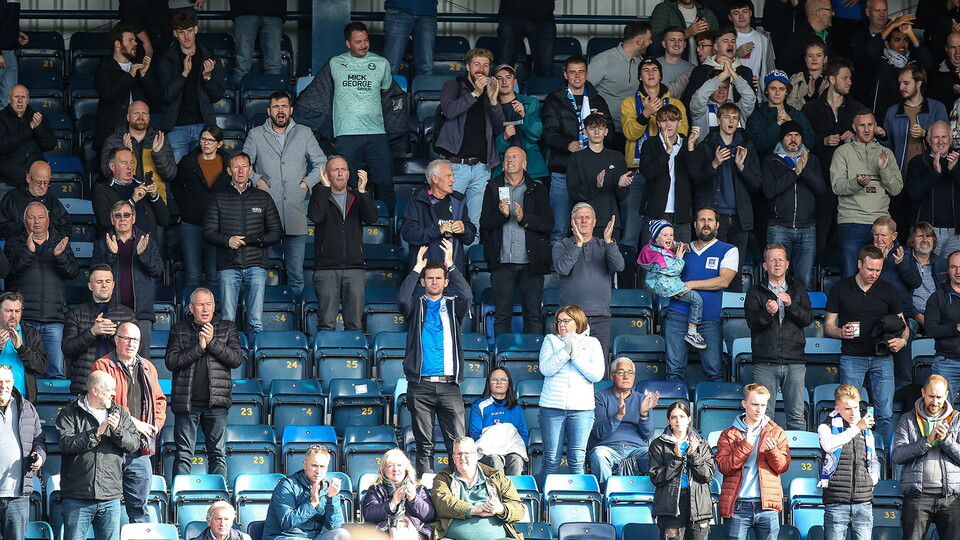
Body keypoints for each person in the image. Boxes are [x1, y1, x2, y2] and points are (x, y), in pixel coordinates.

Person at [397, 241, 472, 475]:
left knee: (457, 446)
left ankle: (456, 489)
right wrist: (417, 268)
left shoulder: (453, 306)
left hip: (450, 385)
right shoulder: (415, 305)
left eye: (439, 278)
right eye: (429, 278)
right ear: (423, 282)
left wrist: (451, 265)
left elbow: (467, 295)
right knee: (424, 446)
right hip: (420, 385)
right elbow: (402, 299)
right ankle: (426, 491)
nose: (434, 282)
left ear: (446, 282)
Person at [243, 90, 326, 300]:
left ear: (291, 110)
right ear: (269, 111)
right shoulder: (255, 134)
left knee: (296, 274)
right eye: (276, 107)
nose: (280, 110)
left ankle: (294, 314)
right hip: (264, 214)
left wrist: (305, 184)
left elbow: (322, 163)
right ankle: (263, 310)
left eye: (284, 106)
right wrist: (257, 180)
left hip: (295, 210)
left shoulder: (304, 132)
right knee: (260, 272)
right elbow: (243, 164)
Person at [825, 245, 908, 445]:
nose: (874, 274)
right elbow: (827, 326)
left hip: (883, 358)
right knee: (849, 411)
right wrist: (841, 332)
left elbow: (903, 326)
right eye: (870, 269)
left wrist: (903, 341)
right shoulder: (841, 288)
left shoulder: (888, 289)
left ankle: (884, 457)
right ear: (859, 264)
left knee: (885, 413)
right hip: (852, 357)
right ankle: (853, 452)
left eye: (878, 270)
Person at [90, 322, 166, 524]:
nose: (131, 344)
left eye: (136, 340)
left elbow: (159, 400)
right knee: (107, 508)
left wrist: (155, 425)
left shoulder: (148, 367)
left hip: (139, 446)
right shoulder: (102, 366)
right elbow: (103, 402)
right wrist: (134, 423)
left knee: (140, 510)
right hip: (110, 446)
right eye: (127, 339)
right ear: (116, 340)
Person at [203, 151, 282, 343]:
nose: (240, 171)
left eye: (244, 167)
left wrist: (255, 239)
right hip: (228, 266)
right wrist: (227, 240)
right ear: (229, 171)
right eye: (236, 167)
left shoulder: (263, 198)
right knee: (228, 320)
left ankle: (255, 360)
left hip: (257, 265)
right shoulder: (218, 198)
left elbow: (276, 232)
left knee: (255, 321)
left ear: (250, 170)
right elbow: (208, 232)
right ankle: (228, 357)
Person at [166, 287, 242, 479]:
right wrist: (199, 347)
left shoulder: (227, 327)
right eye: (200, 305)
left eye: (209, 304)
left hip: (216, 403)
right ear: (191, 308)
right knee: (183, 454)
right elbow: (172, 362)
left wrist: (212, 342)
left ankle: (217, 495)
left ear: (214, 306)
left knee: (217, 453)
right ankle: (181, 493)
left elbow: (235, 359)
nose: (205, 308)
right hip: (187, 404)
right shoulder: (179, 329)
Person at [56, 371, 141, 540]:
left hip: (110, 497)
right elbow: (66, 443)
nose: (114, 393)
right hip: (77, 497)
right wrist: (96, 433)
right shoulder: (69, 412)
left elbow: (133, 444)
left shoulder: (120, 413)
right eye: (109, 390)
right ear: (95, 390)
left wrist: (117, 431)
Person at [479, 147, 553, 336]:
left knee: (533, 317)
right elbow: (484, 224)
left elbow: (548, 224)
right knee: (502, 317)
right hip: (502, 263)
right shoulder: (492, 186)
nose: (509, 160)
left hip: (531, 264)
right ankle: (502, 353)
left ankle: (531, 354)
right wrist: (502, 215)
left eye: (514, 157)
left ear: (524, 164)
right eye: (507, 157)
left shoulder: (538, 189)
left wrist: (523, 217)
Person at [541, 56, 613, 243]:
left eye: (581, 71)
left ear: (587, 74)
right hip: (563, 171)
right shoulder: (554, 100)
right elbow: (548, 134)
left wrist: (601, 124)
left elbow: (611, 134)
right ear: (565, 75)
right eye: (572, 72)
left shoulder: (598, 100)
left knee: (591, 229)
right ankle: (559, 262)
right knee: (558, 229)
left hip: (592, 173)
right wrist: (567, 144)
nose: (577, 76)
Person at [5, 202, 79, 379]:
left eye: (40, 217)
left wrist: (60, 256)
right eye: (31, 218)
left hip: (54, 320)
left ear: (48, 220)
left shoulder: (60, 241)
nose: (36, 222)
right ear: (25, 222)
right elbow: (8, 274)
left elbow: (73, 273)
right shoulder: (14, 242)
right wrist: (27, 253)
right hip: (25, 320)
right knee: (26, 374)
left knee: (55, 374)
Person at [663, 206, 738, 382]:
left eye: (710, 220)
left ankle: (713, 402)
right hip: (678, 315)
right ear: (695, 225)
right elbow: (664, 277)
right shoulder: (681, 249)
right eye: (701, 220)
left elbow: (723, 281)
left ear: (717, 224)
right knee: (674, 372)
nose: (706, 223)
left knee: (714, 372)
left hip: (708, 318)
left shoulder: (728, 249)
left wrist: (690, 285)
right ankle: (677, 401)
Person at [691, 103, 760, 291]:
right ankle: (713, 309)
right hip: (714, 218)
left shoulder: (746, 147)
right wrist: (714, 163)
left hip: (740, 218)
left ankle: (733, 310)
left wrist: (742, 167)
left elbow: (757, 184)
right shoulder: (706, 146)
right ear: (719, 120)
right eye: (727, 117)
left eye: (735, 118)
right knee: (712, 271)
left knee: (735, 273)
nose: (731, 121)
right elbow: (696, 180)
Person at [744, 245, 813, 430]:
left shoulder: (798, 289)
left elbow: (807, 319)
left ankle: (796, 450)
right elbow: (752, 323)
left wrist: (791, 305)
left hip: (795, 361)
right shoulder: (755, 291)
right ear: (765, 265)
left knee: (797, 417)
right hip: (765, 362)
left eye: (781, 259)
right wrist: (766, 313)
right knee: (763, 417)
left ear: (787, 264)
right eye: (772, 260)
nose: (777, 263)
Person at [620, 59, 688, 248]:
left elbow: (682, 134)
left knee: (662, 231)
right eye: (646, 70)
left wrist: (662, 117)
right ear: (640, 77)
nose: (651, 73)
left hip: (667, 172)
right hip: (636, 172)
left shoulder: (675, 104)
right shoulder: (628, 103)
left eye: (655, 69)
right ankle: (633, 267)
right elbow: (630, 133)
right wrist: (645, 114)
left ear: (660, 75)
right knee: (631, 231)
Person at [435, 48, 505, 231]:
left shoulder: (491, 91)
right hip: (456, 166)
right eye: (477, 64)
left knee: (474, 223)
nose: (481, 69)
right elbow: (449, 111)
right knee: (449, 217)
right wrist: (475, 93)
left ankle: (472, 251)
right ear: (467, 66)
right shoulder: (454, 85)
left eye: (485, 65)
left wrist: (494, 101)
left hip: (481, 167)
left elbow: (499, 128)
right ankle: (448, 251)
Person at [329, 22, 395, 213]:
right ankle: (348, 223)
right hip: (346, 134)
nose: (364, 45)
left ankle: (386, 222)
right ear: (348, 44)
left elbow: (386, 90)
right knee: (347, 184)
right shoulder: (335, 63)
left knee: (385, 182)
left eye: (366, 40)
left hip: (376, 133)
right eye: (358, 42)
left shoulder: (381, 63)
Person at [307, 156, 378, 332]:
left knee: (355, 325)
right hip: (326, 268)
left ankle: (352, 351)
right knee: (326, 324)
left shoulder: (357, 195)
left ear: (348, 174)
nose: (340, 173)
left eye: (343, 170)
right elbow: (316, 217)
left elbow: (371, 218)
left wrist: (363, 191)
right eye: (335, 170)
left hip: (355, 268)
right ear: (327, 175)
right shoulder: (319, 195)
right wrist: (324, 189)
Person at [830, 109, 903, 278]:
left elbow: (896, 189)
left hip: (881, 222)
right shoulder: (842, 152)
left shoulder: (886, 153)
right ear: (854, 127)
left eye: (870, 125)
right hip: (852, 221)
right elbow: (837, 186)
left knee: (889, 271)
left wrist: (884, 170)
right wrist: (856, 183)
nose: (867, 129)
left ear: (876, 126)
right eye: (862, 125)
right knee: (850, 272)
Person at [538, 304, 606, 483]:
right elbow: (546, 369)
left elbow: (597, 375)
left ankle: (578, 498)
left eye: (566, 321)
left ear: (578, 321)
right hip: (551, 407)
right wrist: (565, 350)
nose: (561, 325)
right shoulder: (550, 340)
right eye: (558, 321)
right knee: (550, 459)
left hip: (582, 410)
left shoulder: (592, 343)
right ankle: (545, 499)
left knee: (577, 460)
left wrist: (574, 355)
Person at [715, 384, 791, 540]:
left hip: (767, 506)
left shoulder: (776, 432)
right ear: (744, 404)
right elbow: (724, 467)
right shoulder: (728, 435)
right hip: (738, 505)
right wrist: (746, 445)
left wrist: (773, 452)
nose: (759, 409)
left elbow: (783, 466)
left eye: (763, 405)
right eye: (755, 404)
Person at [803, 58, 863, 251]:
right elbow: (802, 141)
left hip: (850, 181)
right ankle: (819, 268)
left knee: (847, 235)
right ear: (831, 79)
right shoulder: (811, 108)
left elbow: (870, 138)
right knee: (821, 232)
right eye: (845, 78)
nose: (850, 82)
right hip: (821, 180)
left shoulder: (857, 109)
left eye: (851, 78)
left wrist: (856, 135)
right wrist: (823, 141)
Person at [892, 374, 960, 540]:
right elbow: (897, 456)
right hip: (917, 497)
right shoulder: (908, 419)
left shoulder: (957, 419)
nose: (935, 402)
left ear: (946, 395)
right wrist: (927, 442)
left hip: (951, 497)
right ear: (923, 392)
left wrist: (946, 441)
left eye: (939, 397)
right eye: (931, 396)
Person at [760, 121, 827, 289]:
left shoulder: (812, 160)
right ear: (781, 138)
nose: (793, 139)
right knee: (775, 278)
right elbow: (769, 191)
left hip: (807, 228)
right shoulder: (771, 161)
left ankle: (802, 308)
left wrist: (804, 170)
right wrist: (795, 173)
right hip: (779, 227)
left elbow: (821, 189)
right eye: (789, 135)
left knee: (804, 279)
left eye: (797, 135)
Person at [91, 200, 163, 355]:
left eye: (126, 215)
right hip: (113, 313)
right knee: (112, 360)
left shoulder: (146, 241)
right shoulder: (102, 243)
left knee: (142, 361)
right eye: (118, 215)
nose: (122, 219)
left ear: (133, 218)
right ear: (112, 220)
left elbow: (158, 271)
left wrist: (143, 255)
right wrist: (111, 254)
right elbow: (95, 275)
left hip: (141, 314)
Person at [553, 203, 625, 358]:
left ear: (594, 222)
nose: (584, 221)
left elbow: (619, 266)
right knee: (571, 361)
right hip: (571, 317)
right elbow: (562, 269)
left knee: (599, 363)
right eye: (580, 217)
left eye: (588, 217)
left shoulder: (604, 245)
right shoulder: (562, 245)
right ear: (572, 222)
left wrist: (609, 241)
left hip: (601, 316)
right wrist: (577, 244)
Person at [156, 11, 226, 162]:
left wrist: (207, 77)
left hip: (203, 127)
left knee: (202, 172)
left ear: (196, 30)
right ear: (175, 34)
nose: (186, 36)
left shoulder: (210, 57)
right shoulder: (167, 60)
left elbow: (217, 95)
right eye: (182, 32)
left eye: (189, 31)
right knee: (176, 173)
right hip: (176, 127)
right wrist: (184, 74)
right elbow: (166, 96)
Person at [172, 124, 232, 295]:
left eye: (210, 140)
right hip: (191, 224)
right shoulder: (188, 161)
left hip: (217, 226)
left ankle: (212, 310)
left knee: (213, 274)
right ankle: (191, 309)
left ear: (219, 144)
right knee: (192, 274)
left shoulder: (228, 162)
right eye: (203, 139)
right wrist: (185, 205)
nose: (206, 143)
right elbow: (176, 185)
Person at [430, 436, 525, 540]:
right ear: (453, 458)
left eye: (467, 453)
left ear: (476, 455)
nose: (462, 458)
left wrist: (501, 508)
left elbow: (519, 509)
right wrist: (474, 510)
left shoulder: (497, 477)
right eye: (458, 454)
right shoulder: (443, 478)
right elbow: (442, 503)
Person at [817, 384, 880, 540]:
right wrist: (856, 428)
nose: (853, 413)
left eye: (856, 407)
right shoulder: (826, 426)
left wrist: (873, 479)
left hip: (863, 501)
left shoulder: (866, 430)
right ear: (837, 408)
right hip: (836, 501)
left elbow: (874, 459)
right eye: (847, 409)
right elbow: (829, 445)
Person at [62, 265, 137, 395]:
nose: (104, 285)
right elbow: (67, 349)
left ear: (113, 285)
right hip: (84, 386)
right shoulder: (75, 313)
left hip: (118, 387)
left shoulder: (128, 315)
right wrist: (92, 332)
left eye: (108, 281)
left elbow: (137, 350)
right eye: (99, 282)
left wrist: (115, 335)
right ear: (90, 286)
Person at [649, 401, 716, 540]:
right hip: (670, 505)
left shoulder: (701, 443)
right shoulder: (658, 444)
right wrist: (677, 459)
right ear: (668, 421)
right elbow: (656, 478)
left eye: (682, 416)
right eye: (674, 417)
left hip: (698, 505)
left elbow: (706, 475)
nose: (678, 420)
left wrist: (694, 455)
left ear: (689, 419)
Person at [588, 358, 659, 485]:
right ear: (612, 376)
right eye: (621, 372)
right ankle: (607, 495)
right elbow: (599, 433)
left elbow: (647, 434)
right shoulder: (600, 398)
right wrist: (618, 416)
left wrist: (644, 414)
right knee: (599, 455)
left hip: (636, 451)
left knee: (658, 455)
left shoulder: (643, 400)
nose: (626, 376)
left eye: (630, 372)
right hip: (608, 449)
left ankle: (652, 496)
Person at [881, 66, 948, 196]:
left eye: (906, 83)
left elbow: (946, 142)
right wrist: (883, 136)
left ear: (918, 83)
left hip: (931, 178)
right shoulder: (892, 112)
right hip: (900, 179)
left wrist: (925, 134)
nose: (901, 87)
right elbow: (886, 149)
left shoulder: (937, 108)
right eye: (900, 83)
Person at [638, 220, 707, 348]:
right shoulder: (660, 256)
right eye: (665, 235)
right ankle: (692, 332)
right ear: (656, 238)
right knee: (697, 300)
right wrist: (679, 258)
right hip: (666, 285)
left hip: (663, 283)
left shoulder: (655, 246)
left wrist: (680, 245)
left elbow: (671, 243)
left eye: (671, 234)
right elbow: (674, 269)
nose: (669, 238)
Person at [873, 216, 923, 390]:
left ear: (894, 236)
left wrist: (901, 264)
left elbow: (916, 282)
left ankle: (902, 404)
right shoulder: (868, 254)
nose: (879, 239)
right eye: (876, 235)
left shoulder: (905, 254)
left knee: (903, 372)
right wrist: (880, 260)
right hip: (875, 318)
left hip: (900, 319)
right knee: (875, 369)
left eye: (883, 235)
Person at [400, 159, 476, 273]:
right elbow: (409, 233)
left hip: (453, 274)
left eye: (453, 176)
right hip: (426, 275)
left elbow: (470, 238)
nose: (453, 180)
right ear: (434, 178)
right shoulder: (417, 201)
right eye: (448, 176)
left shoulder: (458, 201)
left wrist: (464, 230)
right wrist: (438, 230)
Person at [93, 23, 160, 152]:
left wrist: (145, 75)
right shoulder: (103, 67)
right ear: (118, 44)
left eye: (135, 40)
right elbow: (107, 94)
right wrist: (129, 76)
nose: (135, 43)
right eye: (130, 40)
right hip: (112, 134)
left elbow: (155, 97)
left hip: (140, 134)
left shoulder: (140, 67)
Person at [567, 113, 633, 242]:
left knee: (611, 255)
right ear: (585, 132)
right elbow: (573, 193)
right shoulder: (576, 158)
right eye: (592, 128)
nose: (597, 132)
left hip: (610, 221)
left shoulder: (617, 157)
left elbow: (623, 196)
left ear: (606, 131)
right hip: (584, 223)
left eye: (600, 128)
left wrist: (619, 186)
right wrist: (595, 185)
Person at [637, 107, 696, 250]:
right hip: (655, 214)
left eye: (673, 120)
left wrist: (691, 148)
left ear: (680, 122)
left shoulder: (688, 144)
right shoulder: (650, 144)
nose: (668, 124)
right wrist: (667, 152)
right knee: (651, 259)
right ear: (658, 123)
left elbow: (696, 176)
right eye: (663, 120)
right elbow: (648, 173)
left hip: (681, 216)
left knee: (681, 260)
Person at [262, 445, 349, 540]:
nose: (318, 471)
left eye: (322, 466)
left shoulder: (327, 488)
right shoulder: (287, 485)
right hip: (286, 536)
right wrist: (312, 504)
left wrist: (332, 497)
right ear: (305, 465)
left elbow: (333, 526)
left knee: (342, 533)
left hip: (313, 537)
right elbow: (287, 523)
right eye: (314, 465)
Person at [99, 101, 177, 203]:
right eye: (136, 113)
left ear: (149, 117)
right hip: (124, 202)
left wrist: (158, 153)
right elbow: (106, 172)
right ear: (128, 117)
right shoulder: (114, 140)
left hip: (155, 201)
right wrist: (126, 153)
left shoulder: (160, 140)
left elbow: (170, 174)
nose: (140, 117)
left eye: (144, 113)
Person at [0, 363, 45, 540]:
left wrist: (39, 456)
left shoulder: (27, 408)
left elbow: (39, 440)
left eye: (7, 381)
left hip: (17, 496)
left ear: (13, 382)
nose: (3, 386)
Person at [588, 21, 654, 132]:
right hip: (606, 130)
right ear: (639, 41)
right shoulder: (604, 60)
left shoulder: (642, 63)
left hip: (634, 129)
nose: (651, 42)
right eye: (649, 39)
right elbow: (581, 87)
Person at [907, 122, 960, 257]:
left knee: (954, 269)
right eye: (936, 137)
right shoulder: (918, 162)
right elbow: (913, 194)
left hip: (956, 233)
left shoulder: (959, 162)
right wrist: (934, 173)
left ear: (950, 140)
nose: (940, 141)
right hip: (927, 232)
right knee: (926, 268)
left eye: (944, 137)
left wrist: (954, 171)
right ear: (928, 140)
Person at [93, 147, 170, 239]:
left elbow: (164, 220)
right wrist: (132, 201)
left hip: (148, 245)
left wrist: (155, 196)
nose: (129, 167)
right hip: (118, 246)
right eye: (124, 163)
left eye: (131, 162)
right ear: (112, 166)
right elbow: (105, 221)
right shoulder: (102, 189)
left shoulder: (142, 185)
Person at [490, 64, 548, 183]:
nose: (504, 82)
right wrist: (504, 137)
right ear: (494, 82)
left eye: (508, 77)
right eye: (500, 78)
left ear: (515, 82)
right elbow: (488, 146)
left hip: (530, 167)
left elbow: (537, 135)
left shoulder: (529, 102)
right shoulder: (490, 107)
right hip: (502, 168)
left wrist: (525, 116)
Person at [361, 449, 435, 539]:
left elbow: (429, 515)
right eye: (390, 466)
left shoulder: (418, 489)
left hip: (415, 531)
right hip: (385, 532)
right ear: (383, 470)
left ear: (406, 469)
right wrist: (392, 504)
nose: (395, 469)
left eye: (399, 465)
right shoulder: (376, 489)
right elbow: (369, 516)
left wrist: (414, 499)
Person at [469, 367, 529, 476]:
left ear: (508, 383)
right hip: (488, 451)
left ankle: (513, 488)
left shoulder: (516, 407)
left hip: (511, 448)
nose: (499, 382)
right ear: (489, 382)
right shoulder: (479, 405)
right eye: (494, 379)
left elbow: (523, 434)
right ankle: (498, 487)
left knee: (516, 460)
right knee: (495, 460)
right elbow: (475, 434)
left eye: (503, 379)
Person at [0, 85, 56, 197]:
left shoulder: (38, 117)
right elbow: (3, 145)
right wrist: (30, 128)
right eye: (16, 97)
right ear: (9, 99)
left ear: (28, 100)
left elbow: (50, 145)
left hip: (34, 182)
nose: (20, 100)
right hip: (6, 182)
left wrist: (38, 127)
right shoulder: (1, 118)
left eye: (23, 97)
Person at [746, 70, 814, 159]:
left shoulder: (797, 115)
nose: (777, 93)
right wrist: (776, 125)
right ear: (766, 90)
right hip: (767, 165)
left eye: (781, 89)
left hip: (795, 164)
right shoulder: (757, 116)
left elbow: (809, 143)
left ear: (787, 92)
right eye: (773, 88)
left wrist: (790, 123)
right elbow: (755, 146)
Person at [680, 28, 756, 106]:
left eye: (733, 41)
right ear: (716, 47)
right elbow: (688, 102)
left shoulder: (746, 72)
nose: (730, 44)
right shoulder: (700, 71)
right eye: (725, 41)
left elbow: (752, 104)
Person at [687, 53, 756, 138]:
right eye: (717, 87)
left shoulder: (738, 109)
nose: (721, 92)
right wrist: (723, 75)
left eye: (724, 87)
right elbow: (700, 96)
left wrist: (731, 72)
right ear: (711, 89)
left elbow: (750, 97)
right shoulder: (701, 111)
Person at [0, 160, 70, 241]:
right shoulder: (12, 197)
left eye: (46, 182)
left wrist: (46, 235)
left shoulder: (52, 201)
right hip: (19, 246)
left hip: (48, 247)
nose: (42, 186)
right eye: (38, 182)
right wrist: (25, 228)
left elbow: (66, 229)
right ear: (28, 178)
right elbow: (2, 226)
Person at [923, 251, 960, 403]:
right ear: (947, 270)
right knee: (942, 410)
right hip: (947, 362)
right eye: (953, 267)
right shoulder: (938, 297)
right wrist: (956, 328)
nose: (958, 272)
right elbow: (930, 330)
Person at [0, 292, 46, 401]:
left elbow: (41, 366)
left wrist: (21, 348)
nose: (13, 315)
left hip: (23, 400)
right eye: (8, 311)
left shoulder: (30, 334)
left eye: (17, 311)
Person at [495, 0, 556, 78]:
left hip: (544, 19)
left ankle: (542, 86)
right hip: (510, 16)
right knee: (504, 68)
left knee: (545, 69)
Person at [907, 222, 948, 334]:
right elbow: (901, 297)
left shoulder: (943, 264)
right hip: (913, 316)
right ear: (912, 240)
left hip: (939, 316)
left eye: (928, 236)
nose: (925, 239)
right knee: (905, 328)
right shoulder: (904, 263)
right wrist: (918, 316)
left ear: (934, 241)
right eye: (920, 236)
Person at [649, 0, 720, 64]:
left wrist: (707, 35)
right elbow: (654, 44)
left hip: (702, 69)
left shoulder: (707, 13)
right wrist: (687, 33)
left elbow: (718, 46)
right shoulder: (663, 10)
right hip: (672, 67)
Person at [230, 0, 285, 81]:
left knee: (242, 66)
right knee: (273, 66)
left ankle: (273, 86)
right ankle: (273, 86)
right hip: (248, 9)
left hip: (268, 9)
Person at [777, 0, 835, 76]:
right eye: (829, 10)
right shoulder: (798, 39)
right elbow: (783, 67)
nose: (833, 13)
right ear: (819, 13)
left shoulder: (827, 35)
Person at [382, 0, 439, 76]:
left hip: (427, 11)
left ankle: (424, 84)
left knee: (426, 69)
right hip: (399, 8)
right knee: (390, 66)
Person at [729, 0, 775, 88]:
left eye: (745, 12)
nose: (741, 16)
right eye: (736, 13)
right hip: (731, 91)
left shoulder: (763, 38)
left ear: (750, 13)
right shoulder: (725, 39)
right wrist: (737, 55)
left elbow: (770, 68)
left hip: (758, 92)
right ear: (730, 17)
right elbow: (718, 66)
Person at [787, 42, 829, 112]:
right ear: (806, 59)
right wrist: (808, 96)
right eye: (810, 56)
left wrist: (822, 94)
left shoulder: (832, 80)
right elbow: (790, 109)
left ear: (825, 59)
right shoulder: (797, 79)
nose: (814, 59)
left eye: (818, 55)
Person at [0, 5, 27, 103]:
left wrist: (16, 34)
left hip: (10, 53)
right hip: (1, 54)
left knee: (9, 101)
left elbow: (7, 18)